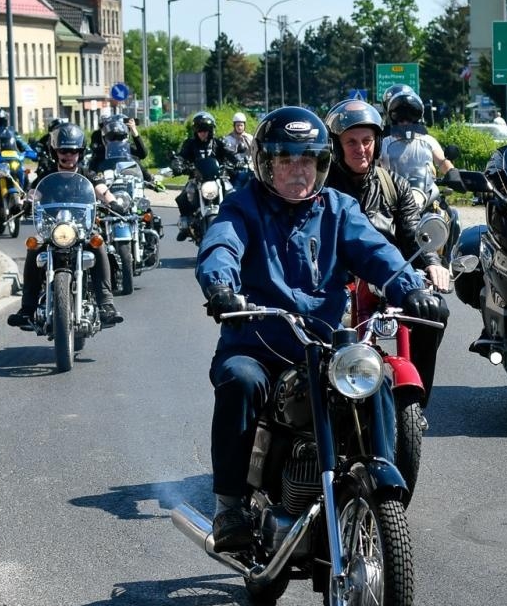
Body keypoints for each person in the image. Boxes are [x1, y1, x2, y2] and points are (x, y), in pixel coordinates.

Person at [195, 107, 447, 551]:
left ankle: (380, 497)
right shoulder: (245, 204)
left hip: (322, 343)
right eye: (286, 161)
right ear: (267, 164)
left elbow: (375, 251)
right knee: (241, 380)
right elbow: (222, 244)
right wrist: (219, 286)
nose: (298, 171)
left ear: (321, 164)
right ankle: (229, 505)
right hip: (258, 341)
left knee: (376, 379)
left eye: (307, 161)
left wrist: (411, 288)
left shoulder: (338, 208)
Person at [325, 98, 450, 405]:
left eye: (367, 140)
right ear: (336, 146)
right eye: (351, 142)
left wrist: (432, 262)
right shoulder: (321, 188)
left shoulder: (394, 185)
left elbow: (411, 234)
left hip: (385, 277)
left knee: (434, 311)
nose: (360, 149)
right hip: (336, 279)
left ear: (377, 142)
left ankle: (419, 403)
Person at [8, 122, 123, 331]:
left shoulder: (88, 174)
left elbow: (101, 190)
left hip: (81, 228)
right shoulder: (46, 175)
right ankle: (26, 309)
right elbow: (35, 193)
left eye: (73, 151)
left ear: (80, 153)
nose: (68, 155)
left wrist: (113, 202)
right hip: (52, 229)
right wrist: (26, 202)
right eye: (64, 150)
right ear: (55, 151)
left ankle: (107, 305)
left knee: (98, 245)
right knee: (33, 247)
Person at [380, 86, 455, 194]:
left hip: (427, 194)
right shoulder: (384, 143)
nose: (405, 122)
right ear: (392, 118)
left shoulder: (429, 141)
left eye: (410, 116)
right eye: (400, 117)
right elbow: (372, 165)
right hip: (393, 196)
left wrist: (452, 173)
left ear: (417, 117)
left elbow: (442, 161)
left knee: (450, 211)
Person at [173, 111, 234, 240]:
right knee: (183, 197)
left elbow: (230, 154)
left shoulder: (218, 143)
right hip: (197, 179)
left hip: (218, 178)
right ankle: (185, 224)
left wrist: (237, 161)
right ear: (195, 131)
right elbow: (181, 156)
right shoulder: (190, 144)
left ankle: (236, 221)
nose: (203, 133)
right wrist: (178, 164)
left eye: (206, 130)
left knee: (233, 193)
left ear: (211, 130)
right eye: (200, 130)